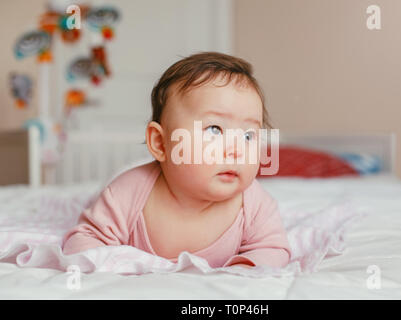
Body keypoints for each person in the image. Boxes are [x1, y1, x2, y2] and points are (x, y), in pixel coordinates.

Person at [62, 52, 291, 269]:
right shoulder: (127, 194)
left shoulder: (254, 202)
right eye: (214, 129)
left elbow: (273, 250)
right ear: (161, 143)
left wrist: (242, 271)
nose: (236, 149)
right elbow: (84, 242)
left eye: (248, 135)